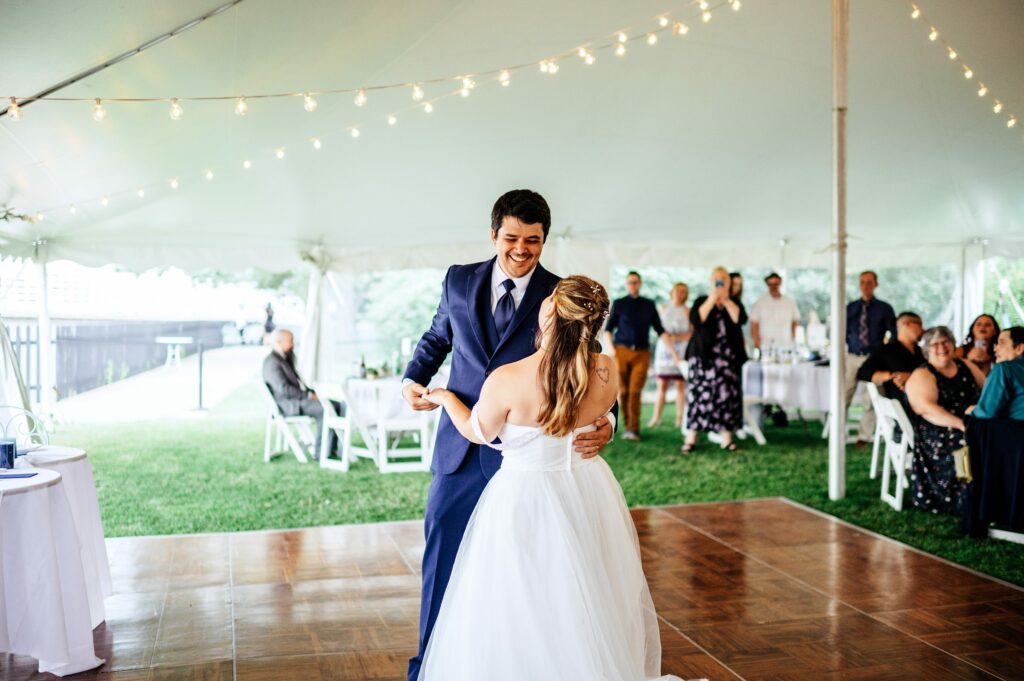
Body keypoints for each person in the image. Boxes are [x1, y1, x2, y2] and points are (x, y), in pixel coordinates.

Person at [417, 276, 680, 681]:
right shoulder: (606, 369)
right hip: (587, 489)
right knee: (587, 588)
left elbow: (478, 432)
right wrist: (606, 424)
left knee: (523, 596)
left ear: (550, 313)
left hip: (526, 494)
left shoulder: (508, 378)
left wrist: (446, 398)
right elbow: (596, 412)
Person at [401, 190, 615, 681]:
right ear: (493, 233)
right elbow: (438, 337)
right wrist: (413, 378)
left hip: (528, 460)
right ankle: (430, 666)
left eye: (534, 241)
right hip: (460, 450)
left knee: (532, 575)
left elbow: (592, 363)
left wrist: (607, 422)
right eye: (513, 239)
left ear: (545, 240)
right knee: (444, 557)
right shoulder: (458, 279)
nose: (522, 250)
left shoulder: (563, 293)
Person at [905, 326, 985, 515]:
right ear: (926, 349)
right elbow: (925, 408)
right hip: (937, 428)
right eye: (935, 344)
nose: (942, 347)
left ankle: (991, 495)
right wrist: (960, 424)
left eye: (946, 342)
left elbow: (987, 390)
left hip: (970, 421)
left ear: (953, 344)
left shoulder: (966, 365)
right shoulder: (923, 374)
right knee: (965, 442)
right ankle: (962, 500)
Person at [605, 271, 680, 441]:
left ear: (640, 284)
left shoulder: (648, 304)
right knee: (623, 391)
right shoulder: (619, 303)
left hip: (642, 353)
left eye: (635, 282)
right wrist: (613, 351)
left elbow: (660, 330)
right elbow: (608, 330)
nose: (633, 285)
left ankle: (633, 429)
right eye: (630, 282)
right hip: (621, 351)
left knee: (635, 390)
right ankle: (625, 425)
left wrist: (674, 353)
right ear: (627, 284)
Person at [682, 266, 747, 453]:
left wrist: (725, 299)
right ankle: (692, 437)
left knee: (726, 396)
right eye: (716, 280)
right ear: (711, 282)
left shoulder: (734, 301)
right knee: (698, 396)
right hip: (703, 358)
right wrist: (713, 297)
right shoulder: (702, 300)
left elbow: (739, 319)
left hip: (728, 359)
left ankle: (726, 438)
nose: (720, 283)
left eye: (723, 280)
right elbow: (697, 319)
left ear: (728, 282)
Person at [262, 329, 338, 456]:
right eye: (290, 341)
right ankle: (321, 453)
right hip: (288, 404)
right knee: (325, 408)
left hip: (299, 399)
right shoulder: (271, 362)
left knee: (336, 404)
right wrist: (309, 395)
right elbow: (284, 389)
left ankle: (333, 448)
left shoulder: (286, 358)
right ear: (279, 342)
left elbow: (299, 383)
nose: (293, 344)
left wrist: (313, 392)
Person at [845, 270, 897, 445]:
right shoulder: (850, 308)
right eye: (862, 282)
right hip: (852, 356)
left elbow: (894, 333)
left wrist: (887, 354)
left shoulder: (885, 308)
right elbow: (842, 331)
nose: (865, 286)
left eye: (869, 282)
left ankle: (864, 436)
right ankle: (839, 432)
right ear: (859, 285)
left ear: (875, 284)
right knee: (844, 395)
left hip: (874, 358)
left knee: (871, 399)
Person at [856, 311, 924, 406]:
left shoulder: (923, 352)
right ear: (906, 324)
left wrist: (911, 376)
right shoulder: (886, 350)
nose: (923, 329)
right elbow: (863, 373)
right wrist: (894, 376)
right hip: (904, 404)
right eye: (919, 324)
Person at [648, 282, 691, 429]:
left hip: (681, 352)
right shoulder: (663, 309)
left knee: (680, 385)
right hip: (664, 351)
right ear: (672, 291)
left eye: (683, 291)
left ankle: (679, 418)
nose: (680, 293)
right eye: (678, 290)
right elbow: (658, 329)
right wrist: (668, 340)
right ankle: (656, 417)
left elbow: (692, 333)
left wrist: (677, 338)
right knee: (662, 385)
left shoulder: (688, 311)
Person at [972, 326, 1024, 420]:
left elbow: (986, 413)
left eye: (1002, 343)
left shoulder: (1004, 368)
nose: (996, 349)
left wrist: (972, 411)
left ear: (1019, 348)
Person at [750, 272, 800, 354]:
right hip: (766, 347)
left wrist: (794, 340)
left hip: (786, 346)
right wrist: (757, 345)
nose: (774, 287)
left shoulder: (790, 302)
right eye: (771, 284)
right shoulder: (760, 303)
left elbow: (795, 322)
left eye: (776, 284)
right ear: (767, 285)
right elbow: (754, 325)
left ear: (780, 284)